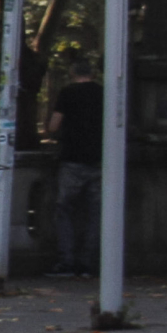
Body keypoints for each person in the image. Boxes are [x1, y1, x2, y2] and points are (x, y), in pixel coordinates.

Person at [46, 56, 103, 277]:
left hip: (72, 159)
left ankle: (66, 261)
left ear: (72, 72)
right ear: (93, 74)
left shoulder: (68, 93)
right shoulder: (102, 93)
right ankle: (87, 263)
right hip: (99, 160)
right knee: (94, 213)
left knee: (64, 210)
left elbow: (53, 125)